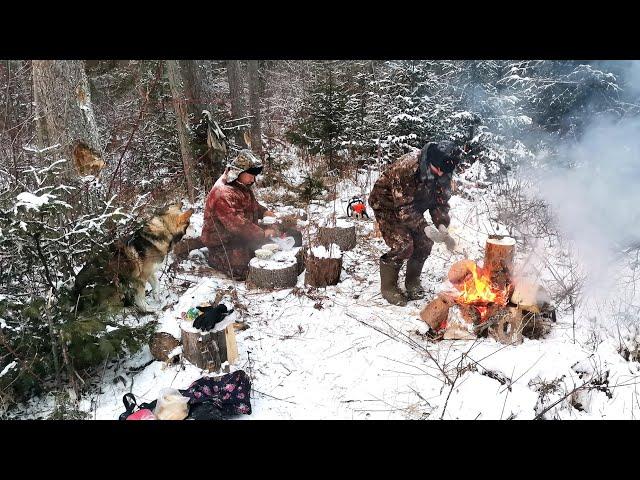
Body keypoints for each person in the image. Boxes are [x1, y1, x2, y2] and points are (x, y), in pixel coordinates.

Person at [368, 141, 463, 306]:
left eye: (444, 172)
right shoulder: (407, 167)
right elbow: (404, 208)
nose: (440, 174)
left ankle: (412, 282)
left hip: (413, 206)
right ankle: (388, 287)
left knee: (425, 243)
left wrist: (442, 226)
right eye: (437, 169)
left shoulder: (444, 172)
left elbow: (440, 203)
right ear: (430, 160)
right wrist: (425, 227)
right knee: (404, 244)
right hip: (387, 205)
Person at [201, 149, 276, 280]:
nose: (253, 179)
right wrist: (262, 234)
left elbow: (250, 205)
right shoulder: (223, 193)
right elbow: (236, 224)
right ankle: (217, 260)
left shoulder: (239, 184)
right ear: (239, 172)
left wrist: (264, 212)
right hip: (223, 244)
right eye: (250, 175)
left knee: (267, 254)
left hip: (239, 238)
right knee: (245, 271)